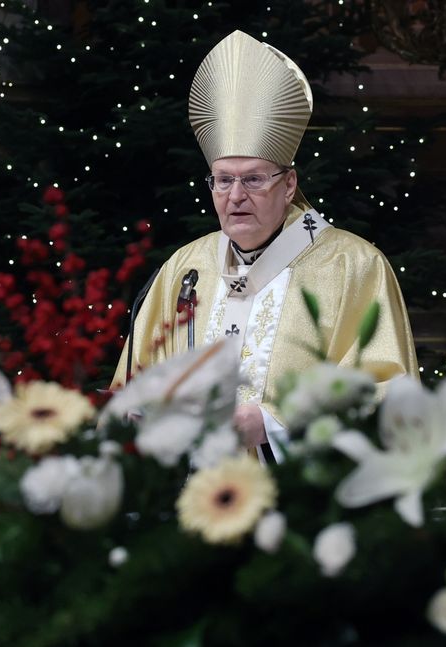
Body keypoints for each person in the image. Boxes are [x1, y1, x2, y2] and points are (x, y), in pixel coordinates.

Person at [113, 30, 418, 461]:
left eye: (253, 179)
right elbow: (130, 386)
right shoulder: (187, 266)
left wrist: (274, 424)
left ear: (289, 183)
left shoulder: (353, 266)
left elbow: (390, 395)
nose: (236, 196)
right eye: (223, 180)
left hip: (300, 508)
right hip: (188, 498)